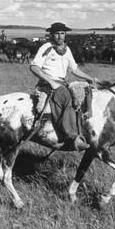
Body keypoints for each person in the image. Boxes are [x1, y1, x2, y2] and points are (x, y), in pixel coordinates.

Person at [30, 22, 98, 151]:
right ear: (51, 34)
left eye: (62, 33)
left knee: (85, 90)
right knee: (66, 96)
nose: (60, 36)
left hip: (61, 83)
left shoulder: (67, 50)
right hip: (47, 84)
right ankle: (72, 137)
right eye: (57, 33)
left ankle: (85, 128)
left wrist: (90, 79)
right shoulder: (46, 47)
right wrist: (51, 82)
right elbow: (34, 67)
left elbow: (74, 69)